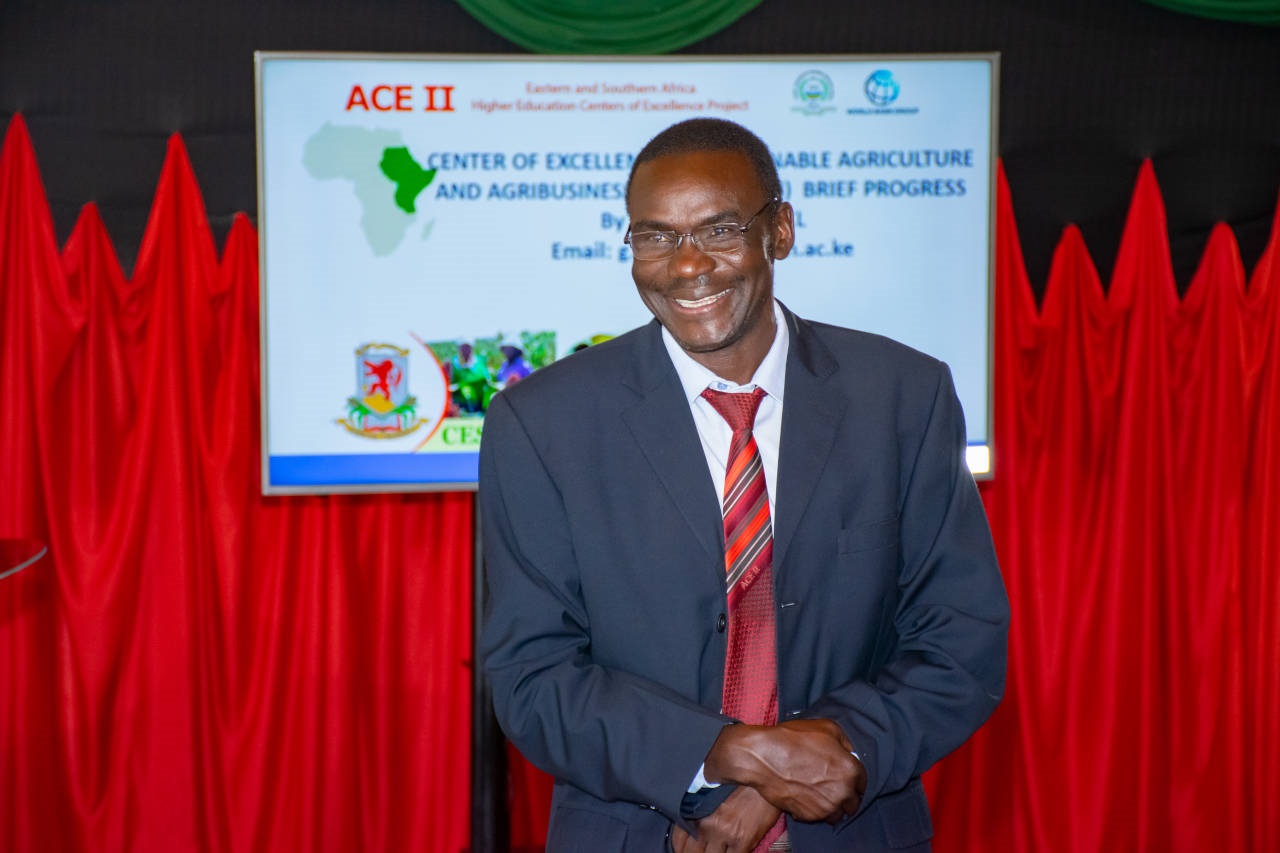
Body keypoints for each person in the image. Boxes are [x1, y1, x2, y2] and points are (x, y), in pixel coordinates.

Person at [479, 118, 1008, 853]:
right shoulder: (540, 423)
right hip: (636, 832)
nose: (687, 265)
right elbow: (531, 678)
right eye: (655, 236)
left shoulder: (902, 396)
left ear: (780, 231)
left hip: (853, 831)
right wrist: (725, 756)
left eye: (720, 228)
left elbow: (962, 640)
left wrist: (820, 761)